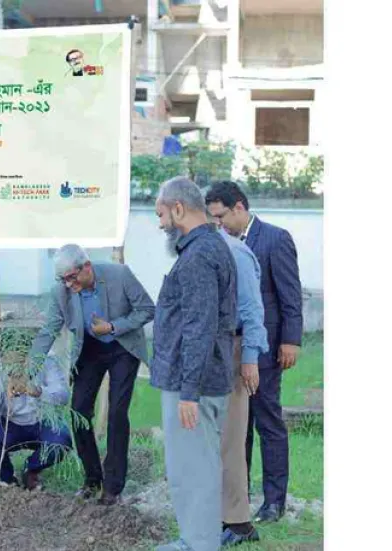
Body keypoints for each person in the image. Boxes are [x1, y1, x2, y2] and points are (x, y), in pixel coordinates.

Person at [205, 180, 303, 523]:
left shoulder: (275, 238)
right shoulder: (219, 243)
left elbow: (290, 294)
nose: (217, 224)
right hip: (229, 349)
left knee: (267, 422)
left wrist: (291, 340)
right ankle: (238, 500)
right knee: (237, 427)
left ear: (239, 209)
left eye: (220, 216)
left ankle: (274, 501)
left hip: (266, 348)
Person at [29, 244, 155, 505]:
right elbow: (48, 331)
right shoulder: (62, 291)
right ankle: (92, 478)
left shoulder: (119, 275)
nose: (68, 284)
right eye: (63, 279)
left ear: (86, 266)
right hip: (89, 349)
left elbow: (147, 309)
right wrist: (29, 369)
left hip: (122, 347)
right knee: (78, 412)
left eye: (72, 277)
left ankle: (113, 487)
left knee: (117, 414)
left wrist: (113, 326)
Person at [151, 176, 237, 551]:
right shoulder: (204, 248)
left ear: (179, 209)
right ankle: (195, 539)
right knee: (192, 467)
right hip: (196, 382)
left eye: (161, 214)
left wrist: (189, 392)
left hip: (193, 387)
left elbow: (199, 327)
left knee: (194, 469)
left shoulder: (200, 255)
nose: (160, 223)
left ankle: (200, 544)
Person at [205, 217, 270, 545]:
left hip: (232, 349)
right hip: (209, 351)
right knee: (212, 440)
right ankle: (220, 515)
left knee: (231, 439)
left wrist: (249, 360)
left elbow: (252, 309)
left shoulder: (235, 252)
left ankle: (240, 523)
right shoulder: (198, 249)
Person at [0, 353, 72, 490]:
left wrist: (38, 391)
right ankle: (7, 480)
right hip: (7, 423)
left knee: (60, 442)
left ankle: (31, 470)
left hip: (42, 419)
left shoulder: (47, 360)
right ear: (3, 356)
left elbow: (63, 396)